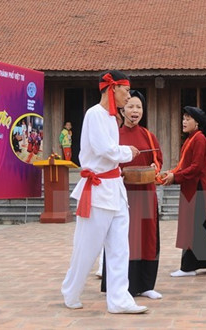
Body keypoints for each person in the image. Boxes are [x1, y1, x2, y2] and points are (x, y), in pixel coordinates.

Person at [61, 70, 148, 314]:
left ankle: (120, 299)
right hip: (97, 190)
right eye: (126, 90)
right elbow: (104, 149)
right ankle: (71, 289)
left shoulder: (112, 118)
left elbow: (111, 151)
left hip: (115, 188)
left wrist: (124, 153)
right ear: (113, 89)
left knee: (121, 247)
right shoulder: (94, 114)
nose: (128, 96)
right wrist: (127, 152)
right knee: (87, 247)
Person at [100, 90, 163, 300]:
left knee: (147, 238)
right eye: (130, 106)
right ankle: (120, 285)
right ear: (122, 109)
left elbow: (158, 160)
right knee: (123, 239)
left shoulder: (148, 136)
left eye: (139, 107)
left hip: (146, 194)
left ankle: (146, 285)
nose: (134, 111)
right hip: (122, 194)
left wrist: (155, 166)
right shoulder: (114, 135)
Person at [162, 106, 206, 277]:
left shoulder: (199, 139)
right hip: (191, 187)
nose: (184, 122)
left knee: (194, 227)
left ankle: (188, 267)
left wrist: (175, 177)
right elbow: (185, 165)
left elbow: (196, 167)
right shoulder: (191, 139)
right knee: (201, 227)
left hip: (197, 188)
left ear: (197, 123)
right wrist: (172, 173)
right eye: (183, 118)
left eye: (188, 119)